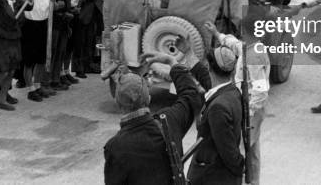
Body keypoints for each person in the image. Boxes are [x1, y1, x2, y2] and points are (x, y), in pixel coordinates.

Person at [103, 41, 205, 185]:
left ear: (119, 103)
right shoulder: (168, 121)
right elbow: (190, 95)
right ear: (149, 98)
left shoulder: (115, 147)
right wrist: (172, 62)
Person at [204, 20, 269, 185]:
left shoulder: (255, 55)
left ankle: (244, 180)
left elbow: (261, 92)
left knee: (242, 148)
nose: (240, 34)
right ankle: (253, 181)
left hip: (251, 110)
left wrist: (247, 113)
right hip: (248, 107)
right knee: (252, 148)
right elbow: (234, 44)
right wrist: (217, 34)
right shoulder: (248, 47)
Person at [187, 45, 243, 185]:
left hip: (213, 177)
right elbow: (204, 76)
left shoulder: (218, 108)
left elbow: (228, 151)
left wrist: (241, 167)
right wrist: (188, 51)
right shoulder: (232, 91)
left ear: (209, 67)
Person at [20, 0, 54, 101]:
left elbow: (50, 8)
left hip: (43, 25)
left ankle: (38, 85)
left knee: (41, 60)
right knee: (29, 61)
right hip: (30, 27)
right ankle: (30, 89)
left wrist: (54, 1)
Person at [72, 0, 100, 78]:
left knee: (89, 42)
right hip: (83, 15)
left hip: (93, 15)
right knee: (80, 43)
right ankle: (78, 68)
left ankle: (87, 65)